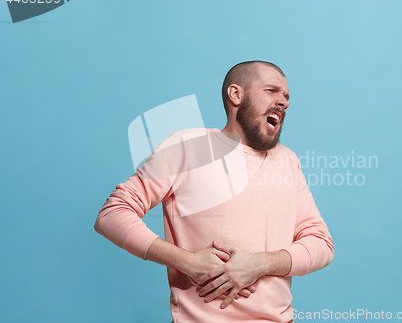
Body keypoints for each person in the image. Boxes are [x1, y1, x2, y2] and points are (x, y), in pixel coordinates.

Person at [94, 60, 334, 322]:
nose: (284, 101)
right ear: (236, 94)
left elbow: (321, 243)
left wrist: (259, 264)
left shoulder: (287, 160)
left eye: (286, 96)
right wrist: (188, 262)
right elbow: (112, 215)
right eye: (272, 91)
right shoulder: (187, 147)